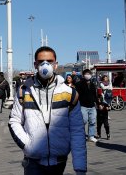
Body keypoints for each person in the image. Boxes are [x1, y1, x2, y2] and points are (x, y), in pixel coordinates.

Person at [9, 46, 87, 175]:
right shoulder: (24, 91)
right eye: (41, 62)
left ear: (56, 65)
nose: (46, 65)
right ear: (35, 64)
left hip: (59, 161)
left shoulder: (69, 93)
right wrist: (28, 145)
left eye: (50, 61)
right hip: (33, 162)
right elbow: (14, 121)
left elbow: (77, 129)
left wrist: (80, 167)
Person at [76, 69, 99, 143]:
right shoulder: (79, 84)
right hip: (83, 106)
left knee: (92, 121)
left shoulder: (92, 84)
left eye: (89, 73)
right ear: (83, 75)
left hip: (92, 106)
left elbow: (95, 95)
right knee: (84, 121)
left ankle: (91, 136)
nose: (88, 75)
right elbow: (77, 95)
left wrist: (98, 104)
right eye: (86, 74)